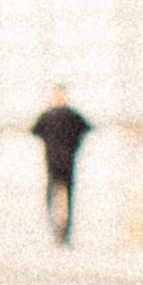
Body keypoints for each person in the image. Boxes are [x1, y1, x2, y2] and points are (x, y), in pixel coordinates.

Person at [32, 85, 90, 242]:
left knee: (54, 194)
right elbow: (87, 128)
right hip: (64, 160)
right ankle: (61, 230)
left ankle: (59, 229)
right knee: (61, 194)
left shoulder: (50, 115)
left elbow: (34, 130)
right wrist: (75, 143)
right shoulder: (71, 116)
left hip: (56, 161)